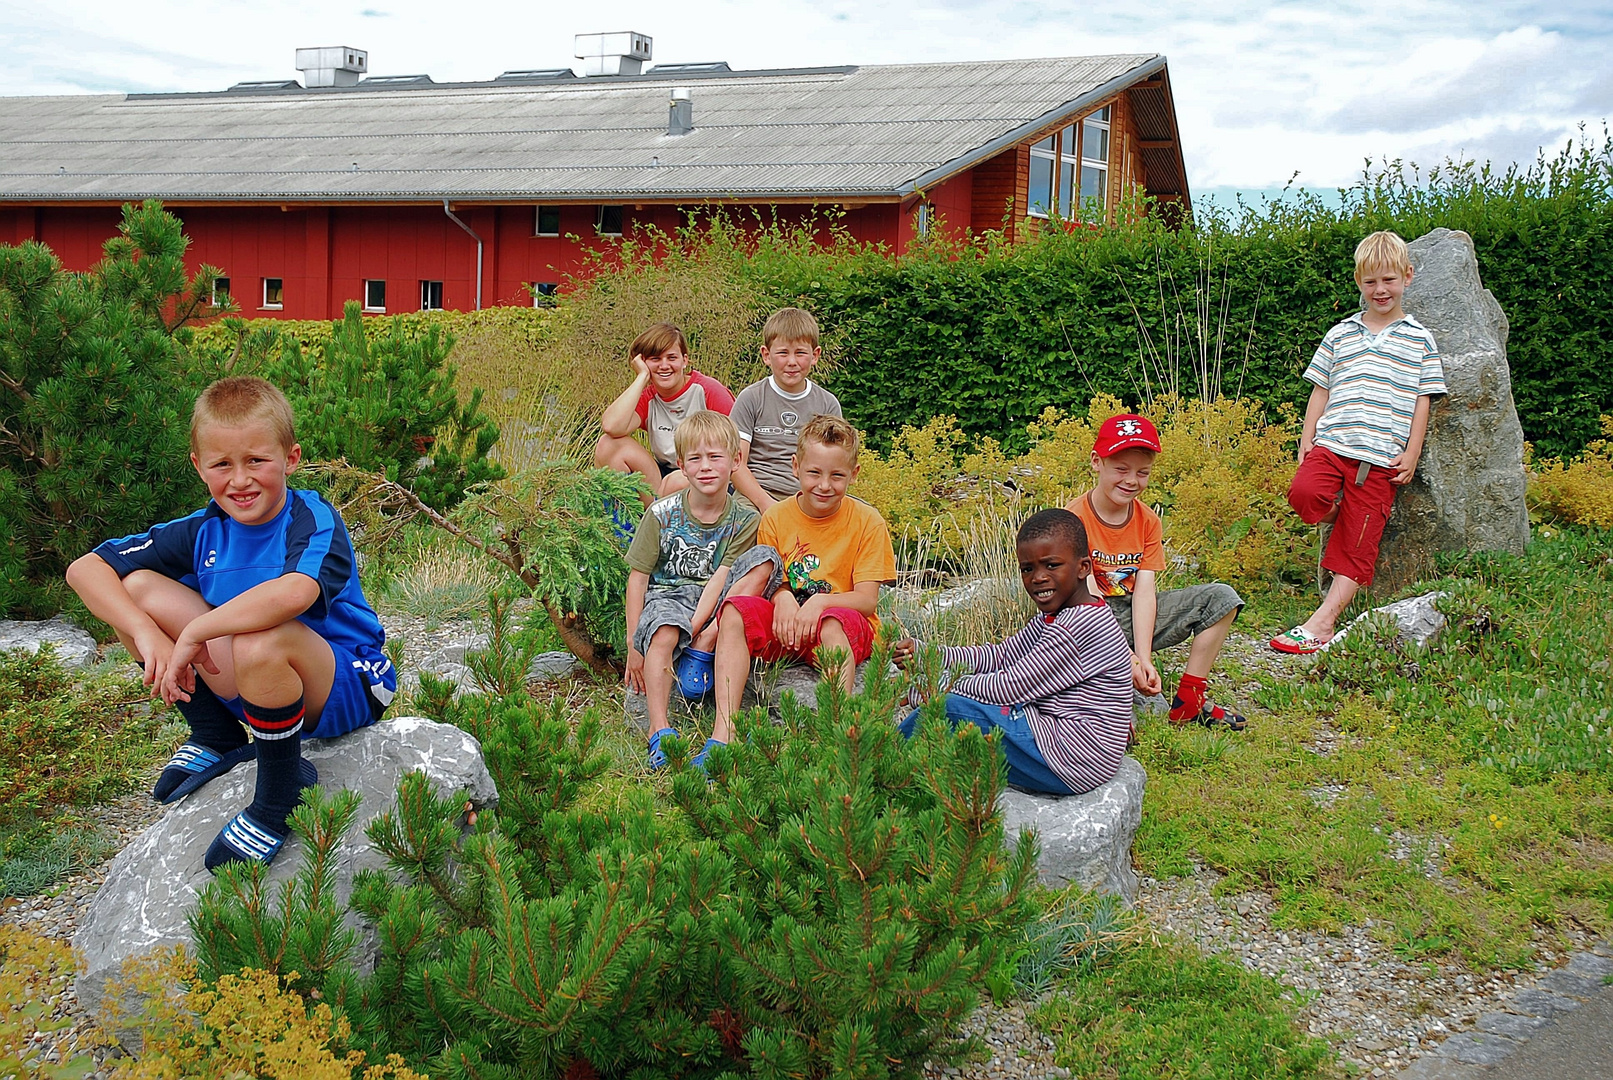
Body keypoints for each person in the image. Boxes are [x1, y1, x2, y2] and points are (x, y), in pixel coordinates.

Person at [65, 377, 394, 871]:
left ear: (291, 457)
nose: (240, 480)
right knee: (135, 591)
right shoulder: (205, 529)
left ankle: (281, 793)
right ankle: (216, 734)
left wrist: (196, 632)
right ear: (200, 467)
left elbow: (296, 593)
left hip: (344, 683)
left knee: (261, 636)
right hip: (256, 676)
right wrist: (146, 633)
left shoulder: (312, 517)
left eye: (257, 461)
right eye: (222, 465)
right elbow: (85, 569)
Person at [1272, 230, 1446, 654]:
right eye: (1370, 282)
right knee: (1303, 493)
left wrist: (1413, 451)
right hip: (1332, 446)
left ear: (1407, 276)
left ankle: (1323, 622)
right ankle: (1340, 513)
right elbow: (1321, 388)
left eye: (1388, 280)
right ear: (1358, 282)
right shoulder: (1340, 334)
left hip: (1382, 459)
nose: (1380, 290)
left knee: (1357, 545)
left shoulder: (1419, 339)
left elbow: (1423, 399)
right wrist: (1306, 437)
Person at [892, 509, 1133, 796]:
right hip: (1058, 740)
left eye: (1052, 565)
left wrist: (932, 687)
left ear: (1083, 568)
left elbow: (1009, 687)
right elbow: (1000, 656)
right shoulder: (1058, 616)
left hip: (1073, 758)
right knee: (958, 712)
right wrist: (930, 655)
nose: (1038, 578)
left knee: (948, 709)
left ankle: (880, 773)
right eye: (1027, 569)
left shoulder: (1078, 627)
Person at [708, 416, 896, 762]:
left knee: (832, 623)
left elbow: (867, 601)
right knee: (735, 609)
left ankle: (836, 735)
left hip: (840, 623)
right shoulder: (777, 518)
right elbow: (774, 579)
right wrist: (780, 598)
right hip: (789, 623)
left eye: (837, 475)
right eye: (814, 473)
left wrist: (820, 602)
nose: (824, 485)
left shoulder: (868, 522)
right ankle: (725, 732)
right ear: (795, 467)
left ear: (853, 474)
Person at [1066, 414, 1248, 729]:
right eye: (1121, 469)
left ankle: (1189, 700)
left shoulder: (1148, 520)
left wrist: (1144, 656)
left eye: (1143, 472)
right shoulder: (1072, 519)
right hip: (1087, 621)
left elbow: (1145, 592)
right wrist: (1130, 659)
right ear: (1097, 462)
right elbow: (1088, 596)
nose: (1131, 480)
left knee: (1222, 598)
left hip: (1131, 614)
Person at [621, 411, 763, 769]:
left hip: (715, 600)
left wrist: (699, 628)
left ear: (736, 461)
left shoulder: (745, 520)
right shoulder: (661, 514)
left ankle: (700, 651)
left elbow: (723, 578)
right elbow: (638, 578)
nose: (706, 467)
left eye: (715, 457)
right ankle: (660, 731)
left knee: (763, 562)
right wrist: (633, 643)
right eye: (695, 459)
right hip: (668, 594)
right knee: (664, 632)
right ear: (681, 465)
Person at [594, 322, 735, 501]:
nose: (664, 365)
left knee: (678, 482)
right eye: (655, 359)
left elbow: (738, 446)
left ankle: (655, 520)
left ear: (685, 360)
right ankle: (631, 522)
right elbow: (611, 426)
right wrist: (642, 377)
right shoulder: (648, 398)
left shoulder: (708, 390)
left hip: (710, 475)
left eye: (671, 358)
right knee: (608, 445)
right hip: (664, 474)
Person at [729, 307, 843, 511]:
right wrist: (766, 504)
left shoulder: (827, 404)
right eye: (783, 353)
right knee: (746, 523)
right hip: (757, 494)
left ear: (815, 355)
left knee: (863, 519)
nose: (792, 362)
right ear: (766, 355)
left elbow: (834, 465)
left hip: (810, 494)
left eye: (800, 353)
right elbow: (736, 465)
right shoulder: (751, 398)